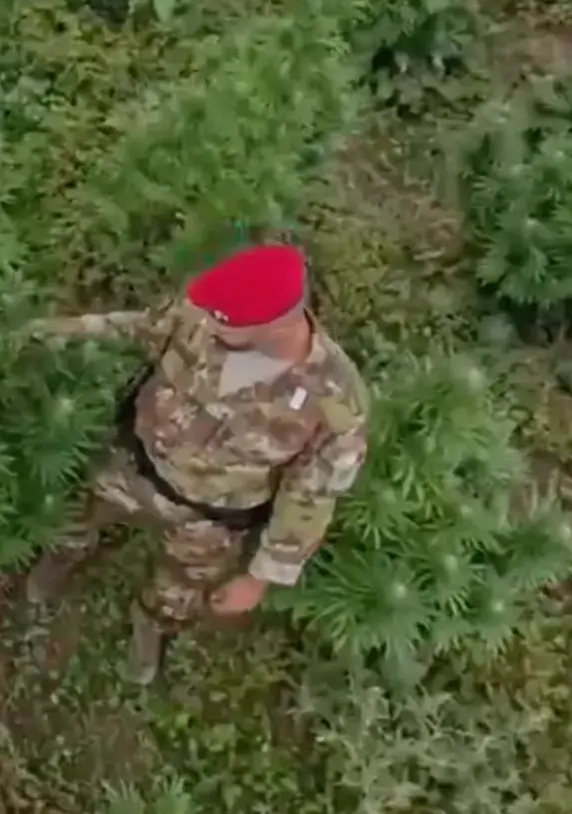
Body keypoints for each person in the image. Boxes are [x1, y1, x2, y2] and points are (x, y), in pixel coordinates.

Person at [29, 243, 369, 684]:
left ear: (274, 325)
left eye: (224, 322)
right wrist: (61, 332)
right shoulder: (200, 318)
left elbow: (312, 496)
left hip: (209, 522)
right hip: (131, 466)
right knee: (75, 520)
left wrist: (260, 578)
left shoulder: (335, 402)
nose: (207, 323)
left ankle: (151, 628)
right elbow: (140, 329)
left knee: (177, 591)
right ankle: (54, 568)